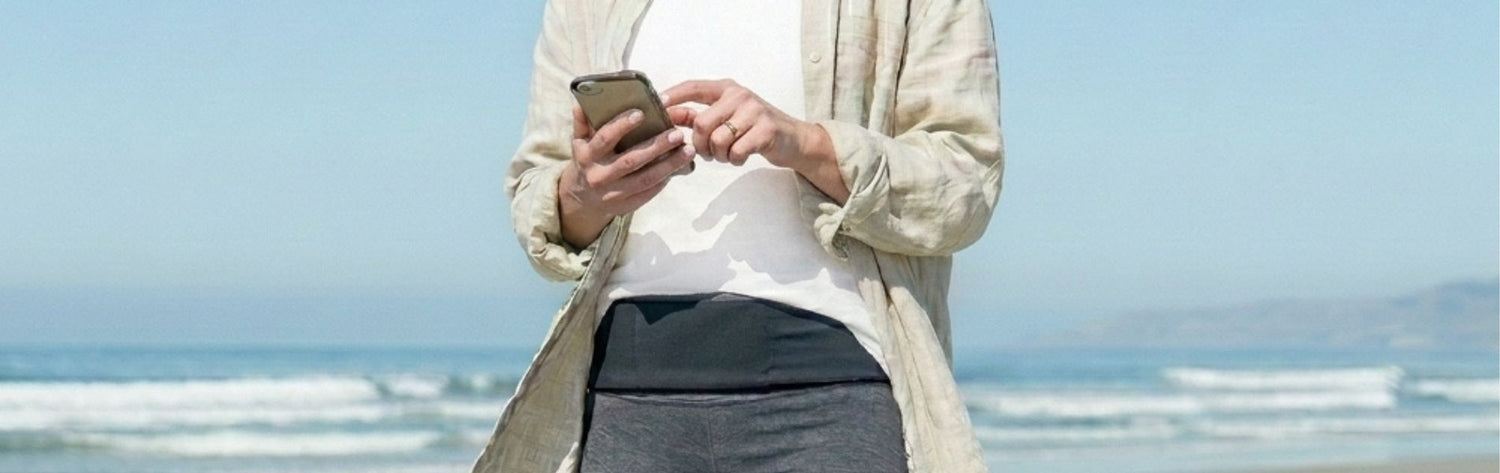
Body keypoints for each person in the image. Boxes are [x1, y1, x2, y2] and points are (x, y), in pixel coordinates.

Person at [473, 0, 1003, 472]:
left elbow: (964, 188)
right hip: (625, 395)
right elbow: (538, 204)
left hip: (830, 394)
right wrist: (585, 192)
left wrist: (804, 143)